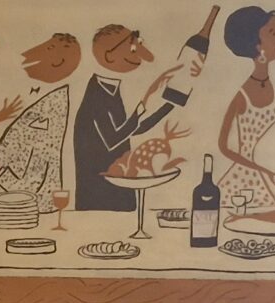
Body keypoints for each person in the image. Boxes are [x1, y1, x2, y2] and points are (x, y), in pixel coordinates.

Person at [72, 23, 190, 211]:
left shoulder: (110, 88)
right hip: (99, 193)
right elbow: (112, 139)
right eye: (133, 48)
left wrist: (169, 105)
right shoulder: (97, 93)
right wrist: (145, 99)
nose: (141, 55)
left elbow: (135, 129)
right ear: (109, 56)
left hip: (118, 184)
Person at [0, 32, 79, 212]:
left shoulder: (50, 109)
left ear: (59, 61)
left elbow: (33, 185)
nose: (26, 54)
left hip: (16, 213)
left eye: (49, 48)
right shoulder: (37, 100)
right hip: (1, 210)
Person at [212, 5, 275, 211]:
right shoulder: (243, 95)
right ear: (258, 46)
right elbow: (223, 146)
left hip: (264, 177)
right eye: (273, 32)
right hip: (242, 181)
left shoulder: (274, 91)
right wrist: (263, 170)